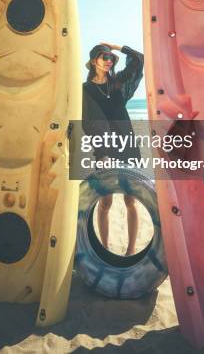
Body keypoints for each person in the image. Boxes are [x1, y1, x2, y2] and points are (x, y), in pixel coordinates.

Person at [82, 43, 144, 256]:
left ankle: (130, 249)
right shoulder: (85, 89)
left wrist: (117, 47)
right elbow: (87, 122)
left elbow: (138, 60)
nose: (109, 60)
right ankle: (105, 247)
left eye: (111, 58)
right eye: (104, 56)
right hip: (104, 149)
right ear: (93, 61)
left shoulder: (117, 83)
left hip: (127, 144)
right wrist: (102, 152)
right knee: (105, 199)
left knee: (130, 198)